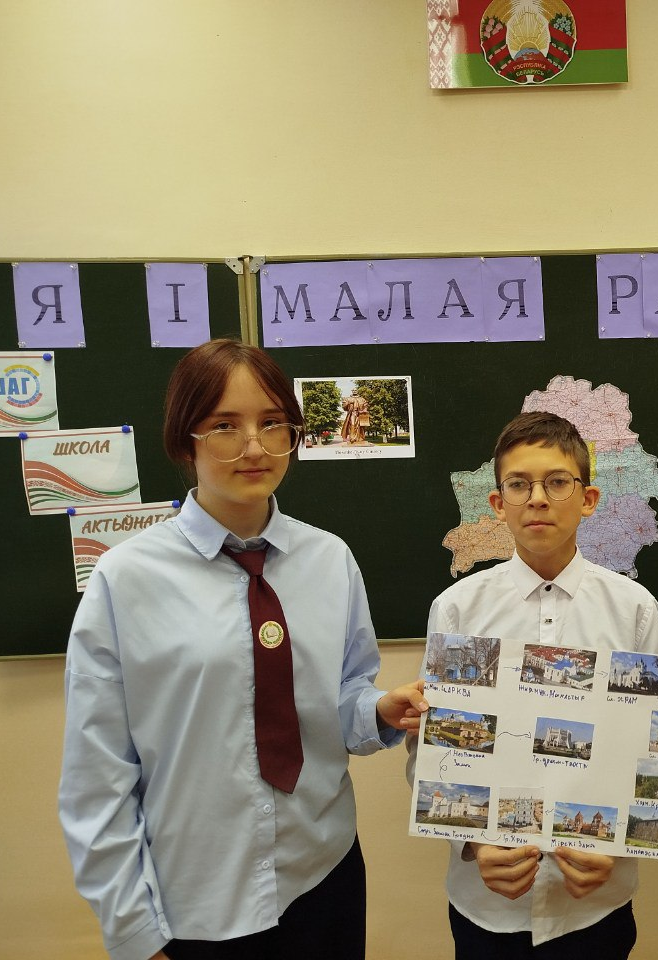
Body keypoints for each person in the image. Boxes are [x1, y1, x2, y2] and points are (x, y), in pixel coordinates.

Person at [58, 339, 428, 960]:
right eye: (225, 425)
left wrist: (378, 709)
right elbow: (97, 772)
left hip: (323, 874)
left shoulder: (329, 560)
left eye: (273, 423)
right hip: (196, 899)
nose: (255, 447)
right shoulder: (126, 579)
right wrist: (132, 931)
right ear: (185, 441)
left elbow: (340, 698)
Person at [414, 410, 658, 959]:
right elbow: (432, 751)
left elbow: (654, 750)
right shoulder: (458, 610)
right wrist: (473, 840)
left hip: (595, 906)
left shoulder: (635, 612)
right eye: (519, 484)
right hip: (487, 908)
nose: (537, 499)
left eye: (557, 482)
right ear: (497, 503)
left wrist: (622, 844)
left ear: (589, 498)